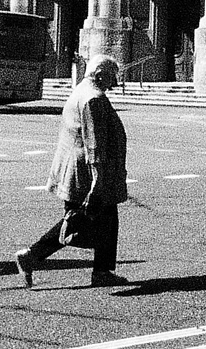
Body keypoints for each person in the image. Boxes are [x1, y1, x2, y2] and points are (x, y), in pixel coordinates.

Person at [16, 55, 129, 288]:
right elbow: (94, 143)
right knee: (77, 221)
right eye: (111, 77)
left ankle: (102, 271)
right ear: (99, 75)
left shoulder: (81, 90)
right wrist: (98, 183)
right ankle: (32, 255)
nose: (114, 84)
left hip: (76, 169)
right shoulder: (93, 99)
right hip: (88, 174)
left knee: (105, 220)